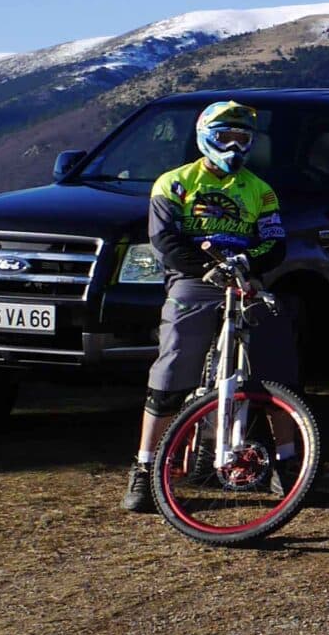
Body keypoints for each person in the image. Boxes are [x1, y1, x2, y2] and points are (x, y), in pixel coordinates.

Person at [122, 101, 303, 513]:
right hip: (195, 281)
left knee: (277, 366)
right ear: (207, 137)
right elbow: (165, 242)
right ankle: (145, 468)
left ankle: (289, 462)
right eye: (226, 137)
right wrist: (208, 268)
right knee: (172, 367)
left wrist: (248, 264)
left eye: (243, 138)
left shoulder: (261, 190)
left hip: (246, 280)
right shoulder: (174, 183)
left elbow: (275, 243)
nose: (235, 145)